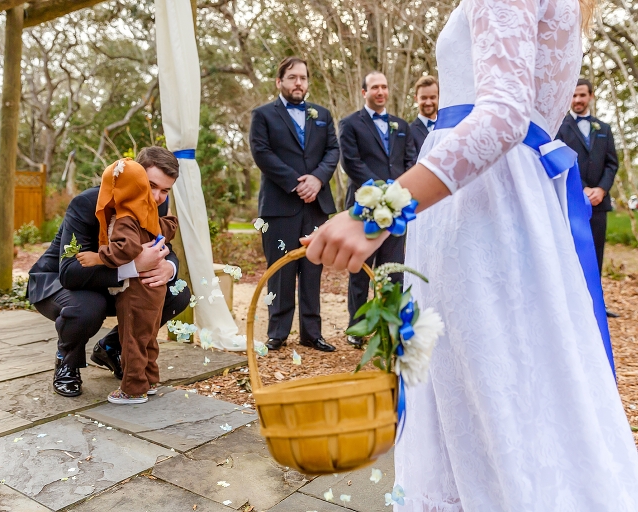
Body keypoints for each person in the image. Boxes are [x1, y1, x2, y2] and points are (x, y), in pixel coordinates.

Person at [304, 0, 638, 509]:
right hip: (511, 206)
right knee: (521, 387)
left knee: (482, 389)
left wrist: (379, 211)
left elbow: (502, 117)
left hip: (480, 210)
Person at [27, 147, 189, 397]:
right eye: (151, 186)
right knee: (89, 306)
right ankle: (67, 361)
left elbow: (162, 245)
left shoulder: (155, 201)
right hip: (59, 283)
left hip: (113, 285)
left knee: (177, 293)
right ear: (133, 176)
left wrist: (170, 267)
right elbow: (70, 271)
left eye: (165, 190)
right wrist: (134, 266)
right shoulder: (86, 203)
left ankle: (111, 347)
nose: (157, 197)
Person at [249, 56, 339, 352]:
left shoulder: (322, 114)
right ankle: (277, 332)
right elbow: (261, 152)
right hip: (279, 205)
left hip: (316, 205)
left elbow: (332, 150)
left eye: (302, 78)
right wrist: (296, 182)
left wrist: (317, 179)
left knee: (312, 270)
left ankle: (312, 333)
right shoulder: (263, 115)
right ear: (280, 82)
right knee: (280, 270)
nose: (298, 83)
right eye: (292, 78)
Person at [75, 158, 177, 404]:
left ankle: (133, 389)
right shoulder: (148, 214)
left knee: (131, 341)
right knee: (147, 338)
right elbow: (168, 227)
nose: (158, 196)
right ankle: (151, 380)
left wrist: (98, 257)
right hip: (154, 290)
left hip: (136, 291)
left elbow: (126, 248)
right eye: (151, 186)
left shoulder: (126, 218)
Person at [339, 71, 417, 348]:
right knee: (360, 269)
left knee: (393, 270)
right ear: (364, 92)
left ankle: (390, 326)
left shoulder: (401, 125)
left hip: (397, 208)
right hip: (364, 204)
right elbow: (351, 162)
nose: (380, 91)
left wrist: (397, 192)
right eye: (374, 87)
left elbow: (410, 161)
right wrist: (380, 190)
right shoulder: (350, 124)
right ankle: (356, 328)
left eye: (384, 86)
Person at [556, 78, 620, 317]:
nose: (578, 100)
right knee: (570, 252)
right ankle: (573, 307)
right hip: (571, 202)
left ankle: (597, 305)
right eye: (573, 96)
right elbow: (560, 162)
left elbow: (612, 164)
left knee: (597, 252)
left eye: (582, 95)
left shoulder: (603, 129)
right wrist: (581, 189)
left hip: (599, 203)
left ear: (591, 96)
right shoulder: (560, 128)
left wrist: (601, 189)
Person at [409, 75, 439, 155]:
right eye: (424, 98)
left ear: (439, 97)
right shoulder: (409, 131)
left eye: (432, 97)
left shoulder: (447, 127)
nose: (428, 102)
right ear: (416, 99)